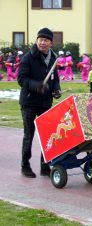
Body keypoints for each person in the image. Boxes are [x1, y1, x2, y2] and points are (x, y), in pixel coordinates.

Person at [17, 27, 62, 178]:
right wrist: (36, 86)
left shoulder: (53, 58)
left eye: (46, 40)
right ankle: (25, 166)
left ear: (51, 43)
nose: (42, 43)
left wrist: (56, 89)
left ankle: (45, 166)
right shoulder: (28, 58)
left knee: (48, 135)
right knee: (29, 135)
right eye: (40, 39)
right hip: (29, 102)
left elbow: (55, 78)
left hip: (45, 103)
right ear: (36, 41)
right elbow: (21, 79)